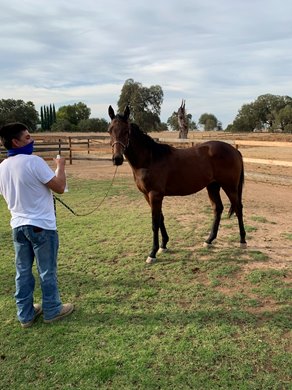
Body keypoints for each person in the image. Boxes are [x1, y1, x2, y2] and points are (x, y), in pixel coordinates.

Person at [0, 122, 74, 328]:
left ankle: (25, 314)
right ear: (15, 141)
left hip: (18, 226)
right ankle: (52, 309)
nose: (31, 141)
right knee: (46, 270)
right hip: (41, 226)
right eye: (27, 138)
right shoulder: (34, 162)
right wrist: (60, 166)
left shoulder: (2, 167)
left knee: (22, 271)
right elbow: (59, 187)